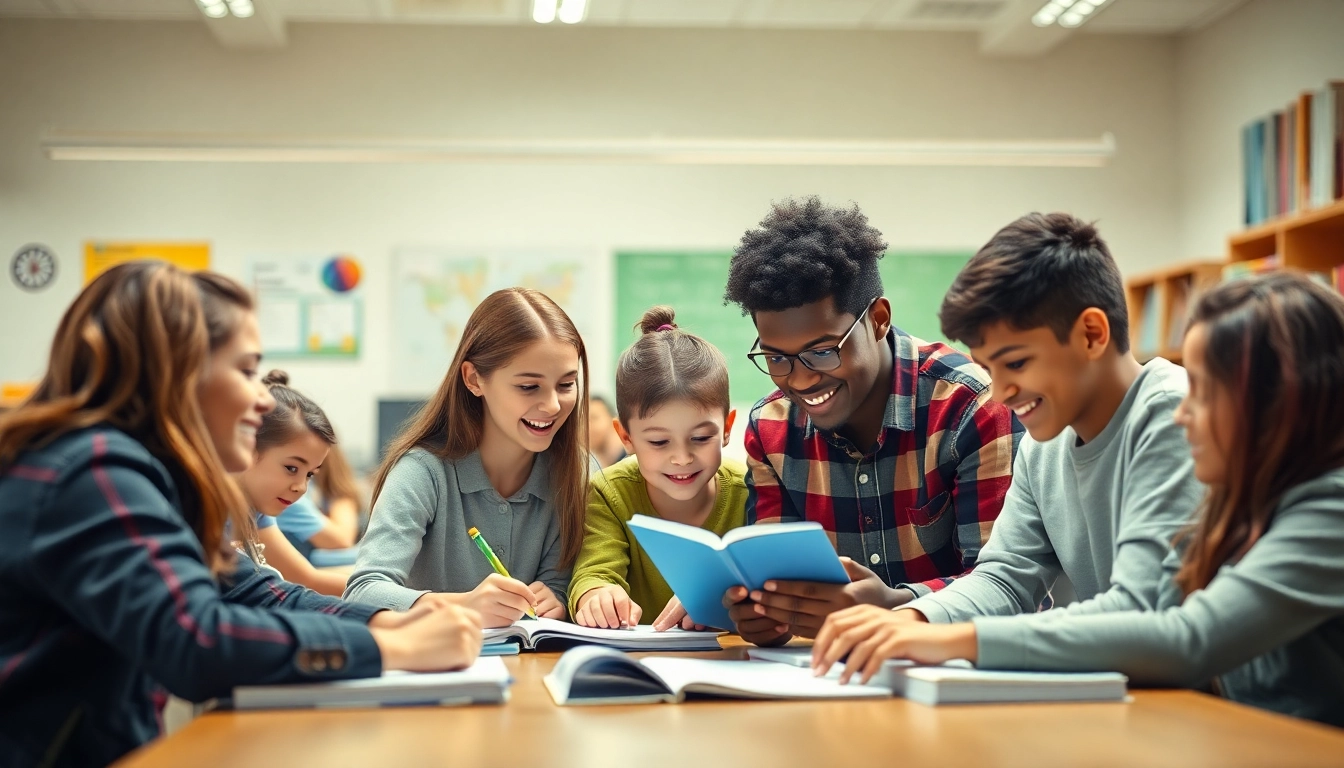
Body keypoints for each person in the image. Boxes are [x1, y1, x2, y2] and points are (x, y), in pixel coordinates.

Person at [813, 272, 1344, 728]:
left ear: (1278, 401)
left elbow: (1185, 637)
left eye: (1205, 392)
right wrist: (921, 620)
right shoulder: (1252, 497)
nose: (1187, 412)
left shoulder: (1327, 507)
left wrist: (956, 641)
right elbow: (1005, 576)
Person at [0, 263, 481, 767]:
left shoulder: (147, 479)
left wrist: (387, 620)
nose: (260, 398)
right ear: (178, 369)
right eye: (246, 370)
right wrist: (389, 650)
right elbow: (195, 639)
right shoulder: (92, 471)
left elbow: (256, 591)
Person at [720, 197, 1021, 646]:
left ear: (878, 320)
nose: (800, 379)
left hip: (953, 680)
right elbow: (775, 583)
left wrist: (897, 604)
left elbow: (1010, 590)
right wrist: (766, 614)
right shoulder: (770, 428)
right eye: (777, 358)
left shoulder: (971, 406)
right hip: (829, 680)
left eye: (823, 350)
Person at [344, 288, 586, 627]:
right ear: (474, 379)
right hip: (441, 671)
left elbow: (571, 579)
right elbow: (363, 592)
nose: (552, 405)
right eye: (529, 387)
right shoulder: (422, 472)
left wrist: (559, 597)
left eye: (566, 384)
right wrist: (464, 606)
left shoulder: (580, 471)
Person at [570, 306, 747, 629]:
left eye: (700, 437)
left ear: (727, 428)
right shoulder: (609, 493)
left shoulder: (752, 491)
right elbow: (594, 571)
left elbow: (771, 581)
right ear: (625, 437)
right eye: (659, 443)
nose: (682, 458)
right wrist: (597, 595)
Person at [233, 370, 351, 595]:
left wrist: (392, 594)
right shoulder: (208, 508)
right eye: (291, 468)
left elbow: (305, 578)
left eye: (310, 474)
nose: (301, 487)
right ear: (248, 447)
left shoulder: (256, 512)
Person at [587, 394, 628, 468]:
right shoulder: (599, 472)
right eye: (581, 422)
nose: (586, 427)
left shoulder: (636, 463)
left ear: (615, 422)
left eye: (593, 418)